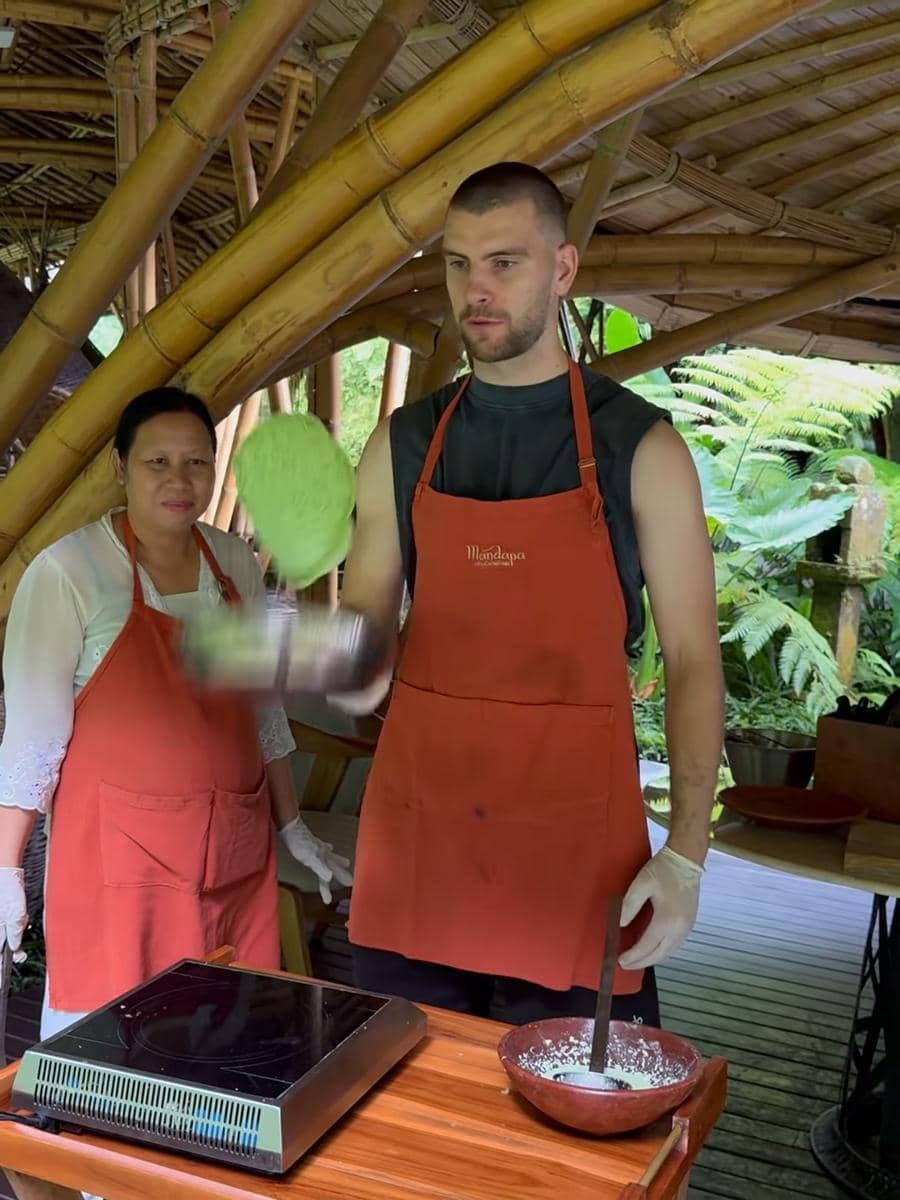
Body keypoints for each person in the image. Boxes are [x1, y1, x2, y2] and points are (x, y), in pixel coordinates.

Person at [332, 162, 723, 1025]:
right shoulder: (401, 443)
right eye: (458, 263)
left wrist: (686, 854)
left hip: (575, 864)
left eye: (505, 262)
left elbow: (695, 660)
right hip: (421, 848)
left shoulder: (643, 448)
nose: (477, 288)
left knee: (572, 1142)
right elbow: (363, 632)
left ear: (563, 269)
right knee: (402, 1130)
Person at [0, 387, 351, 1040]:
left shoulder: (236, 564)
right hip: (121, 865)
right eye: (156, 462)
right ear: (119, 467)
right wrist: (5, 868)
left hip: (232, 855)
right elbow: (32, 743)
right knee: (112, 1047)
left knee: (226, 1037)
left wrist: (292, 823)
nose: (179, 480)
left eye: (196, 462)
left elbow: (261, 710)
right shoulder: (70, 573)